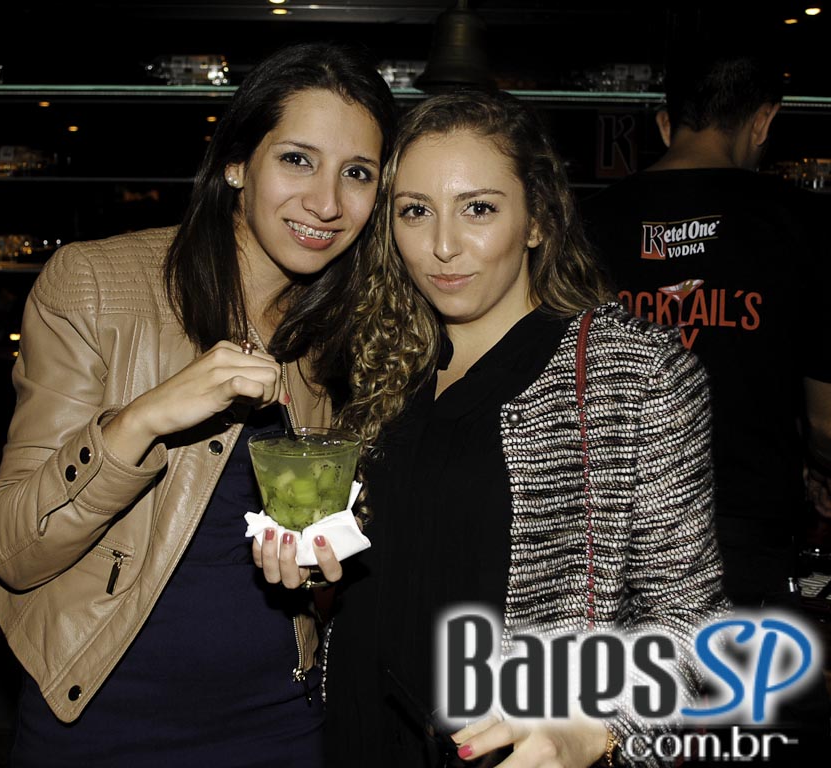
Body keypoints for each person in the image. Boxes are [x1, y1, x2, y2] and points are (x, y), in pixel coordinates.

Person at [0, 41, 395, 767]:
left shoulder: (344, 329)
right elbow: (12, 549)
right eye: (298, 159)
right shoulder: (96, 285)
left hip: (277, 721)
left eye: (356, 173)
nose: (327, 203)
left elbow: (329, 534)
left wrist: (327, 544)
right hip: (101, 718)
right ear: (236, 163)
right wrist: (142, 419)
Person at [322, 90, 729, 768]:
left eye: (478, 208)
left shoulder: (631, 371)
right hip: (354, 737)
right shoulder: (380, 362)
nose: (443, 246)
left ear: (538, 218)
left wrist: (596, 731)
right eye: (415, 211)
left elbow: (695, 635)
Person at [580, 48, 831, 762]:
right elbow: (825, 424)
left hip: (607, 544)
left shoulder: (588, 223)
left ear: (665, 124)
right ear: (763, 122)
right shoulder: (804, 226)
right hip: (740, 549)